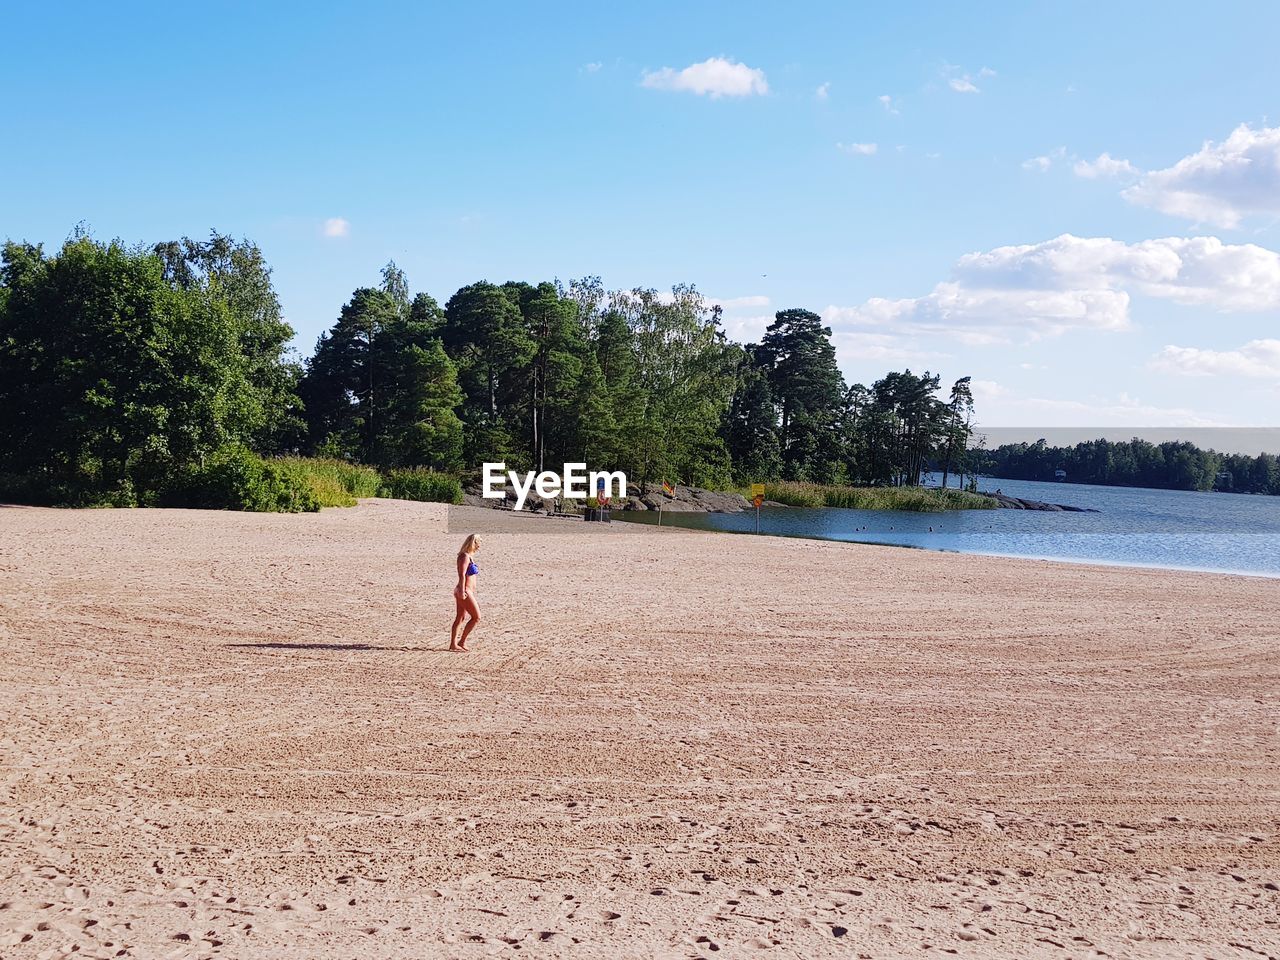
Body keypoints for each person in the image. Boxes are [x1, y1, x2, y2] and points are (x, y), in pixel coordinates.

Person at [450, 534, 482, 652]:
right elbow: (462, 574)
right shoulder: (464, 556)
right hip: (464, 590)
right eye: (478, 543)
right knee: (476, 617)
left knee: (460, 617)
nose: (479, 546)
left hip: (466, 590)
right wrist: (463, 591)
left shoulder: (469, 556)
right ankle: (461, 641)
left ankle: (453, 644)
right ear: (473, 543)